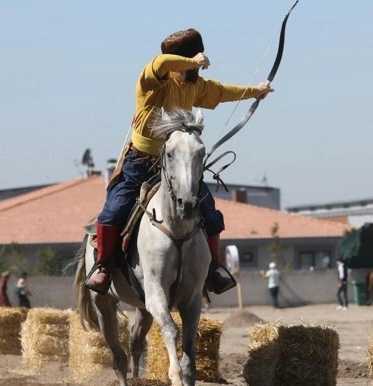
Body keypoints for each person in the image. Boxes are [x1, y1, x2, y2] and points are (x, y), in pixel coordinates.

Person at [86, 28, 274, 295]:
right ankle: (103, 267)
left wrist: (255, 91)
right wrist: (193, 61)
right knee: (113, 211)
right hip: (140, 163)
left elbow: (220, 92)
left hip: (176, 167)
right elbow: (160, 63)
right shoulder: (153, 81)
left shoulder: (195, 87)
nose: (175, 64)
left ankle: (213, 268)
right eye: (182, 60)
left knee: (208, 209)